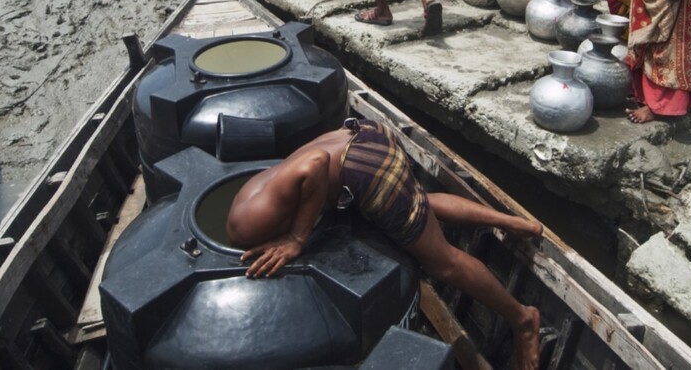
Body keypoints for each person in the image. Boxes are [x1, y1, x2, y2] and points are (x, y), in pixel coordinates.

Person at [226, 118, 541, 370]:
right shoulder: (252, 196)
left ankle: (522, 319)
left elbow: (315, 163)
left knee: (443, 263)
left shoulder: (251, 223)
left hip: (366, 170)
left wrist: (297, 238)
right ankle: (511, 223)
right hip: (365, 135)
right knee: (418, 202)